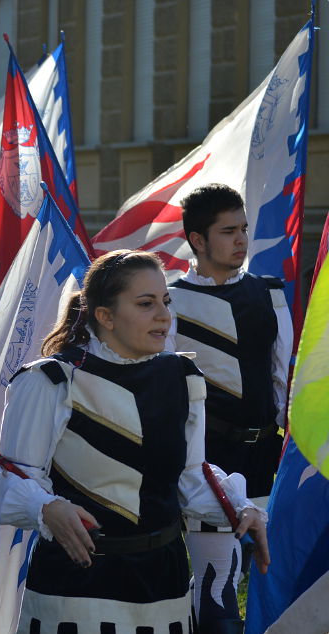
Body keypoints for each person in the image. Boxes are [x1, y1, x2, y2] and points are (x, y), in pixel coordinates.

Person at [0, 249, 269, 632]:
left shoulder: (183, 377)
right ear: (104, 316)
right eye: (145, 304)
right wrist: (48, 508)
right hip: (75, 589)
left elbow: (190, 478)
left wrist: (239, 508)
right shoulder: (51, 380)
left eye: (165, 301)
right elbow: (9, 482)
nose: (163, 315)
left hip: (163, 585)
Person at [165, 184, 292, 633]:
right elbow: (166, 388)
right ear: (198, 240)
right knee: (217, 592)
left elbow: (282, 384)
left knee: (271, 585)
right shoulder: (167, 301)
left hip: (265, 460)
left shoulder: (270, 293)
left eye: (244, 229)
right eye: (228, 231)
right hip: (206, 461)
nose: (241, 240)